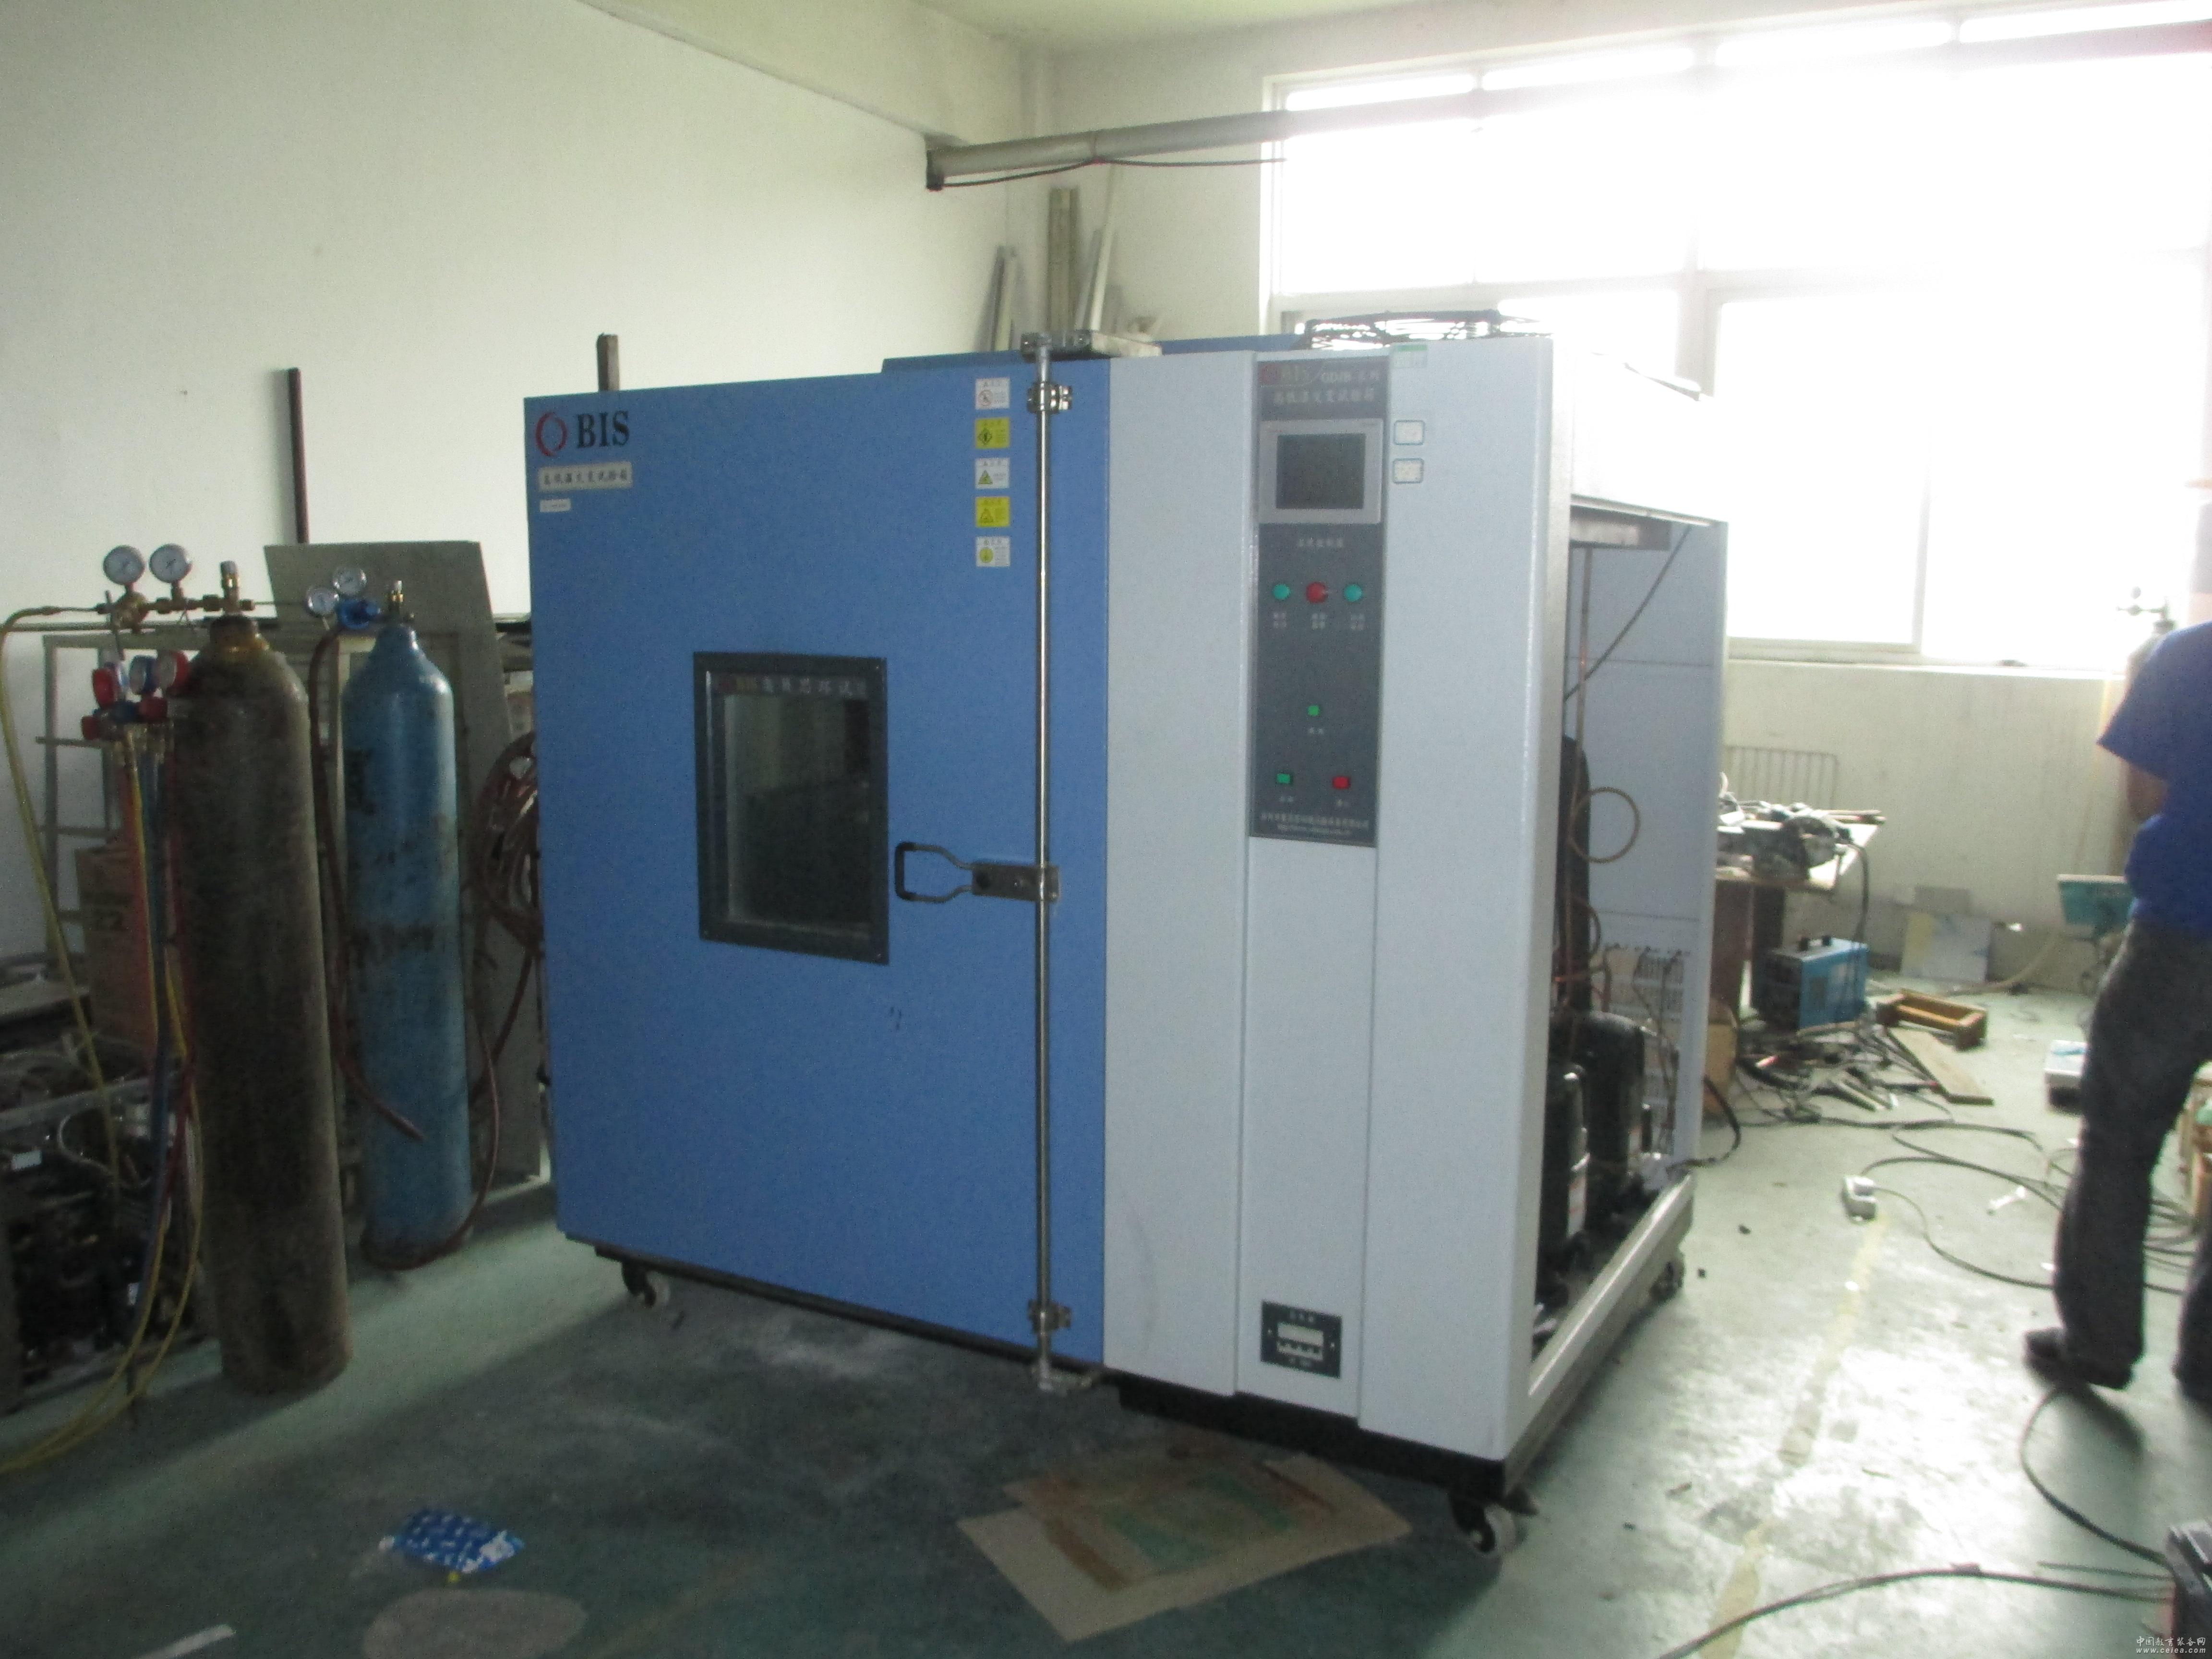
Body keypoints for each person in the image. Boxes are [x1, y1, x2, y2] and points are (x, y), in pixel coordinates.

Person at [2027, 618, 2212, 1400]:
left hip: (2184, 934)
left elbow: (2143, 796)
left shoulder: (2190, 653)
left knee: (2118, 1144)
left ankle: (2099, 1344)